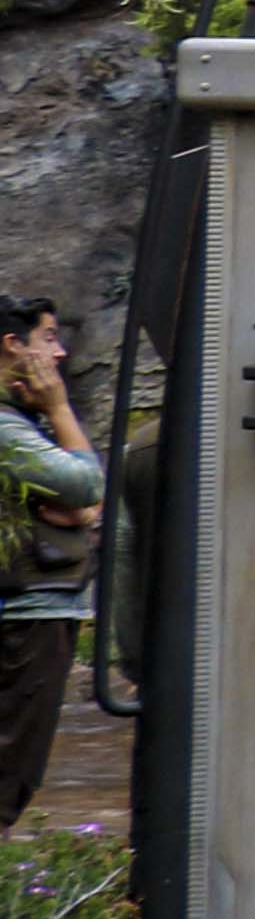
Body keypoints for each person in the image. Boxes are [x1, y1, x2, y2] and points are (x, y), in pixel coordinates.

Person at [0, 297, 99, 836]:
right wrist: (61, 408)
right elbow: (86, 486)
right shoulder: (7, 430)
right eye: (49, 338)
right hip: (25, 624)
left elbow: (84, 501)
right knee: (10, 775)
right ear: (13, 345)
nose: (59, 352)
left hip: (26, 616)